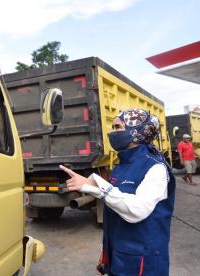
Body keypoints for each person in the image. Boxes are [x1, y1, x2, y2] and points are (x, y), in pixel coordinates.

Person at [59, 109, 175, 276]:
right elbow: (115, 211)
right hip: (119, 255)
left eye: (118, 127)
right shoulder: (122, 165)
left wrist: (93, 188)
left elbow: (137, 210)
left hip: (143, 262)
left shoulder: (156, 168)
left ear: (137, 131)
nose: (112, 132)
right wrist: (106, 254)